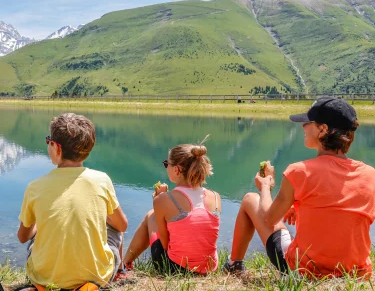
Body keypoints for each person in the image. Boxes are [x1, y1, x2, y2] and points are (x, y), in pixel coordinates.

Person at [224, 97, 375, 278]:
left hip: (305, 272)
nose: (303, 127)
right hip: (357, 273)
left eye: (308, 123)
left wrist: (265, 187)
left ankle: (234, 264)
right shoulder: (370, 174)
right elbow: (342, 212)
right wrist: (300, 206)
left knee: (249, 199)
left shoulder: (299, 171)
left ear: (323, 130)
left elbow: (269, 218)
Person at [16, 113, 129, 290]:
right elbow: (122, 225)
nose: (48, 146)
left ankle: (42, 285)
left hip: (44, 278)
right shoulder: (102, 180)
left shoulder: (35, 187)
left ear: (57, 148)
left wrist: (40, 223)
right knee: (115, 226)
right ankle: (112, 275)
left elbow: (23, 237)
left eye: (49, 142)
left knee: (36, 237)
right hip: (95, 276)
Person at [123, 136, 221, 275]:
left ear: (177, 170)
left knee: (151, 215)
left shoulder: (163, 200)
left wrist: (159, 202)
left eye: (166, 164)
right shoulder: (215, 196)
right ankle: (125, 264)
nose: (166, 167)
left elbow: (165, 243)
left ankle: (124, 265)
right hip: (209, 268)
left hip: (175, 270)